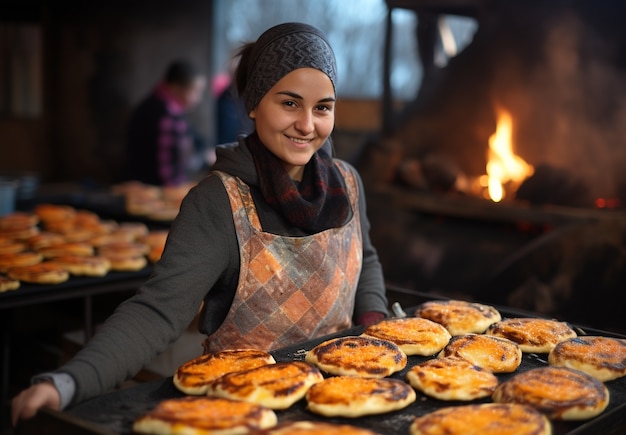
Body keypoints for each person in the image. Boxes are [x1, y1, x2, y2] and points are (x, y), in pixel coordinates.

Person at [11, 22, 389, 425]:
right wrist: (66, 383)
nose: (308, 125)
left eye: (323, 108)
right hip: (239, 410)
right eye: (290, 103)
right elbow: (157, 312)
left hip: (344, 399)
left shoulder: (347, 183)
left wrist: (377, 334)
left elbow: (364, 261)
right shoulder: (218, 202)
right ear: (254, 103)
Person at [122, 58, 208, 186]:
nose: (198, 99)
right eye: (195, 91)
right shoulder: (167, 116)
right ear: (176, 87)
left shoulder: (155, 103)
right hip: (152, 193)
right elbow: (168, 176)